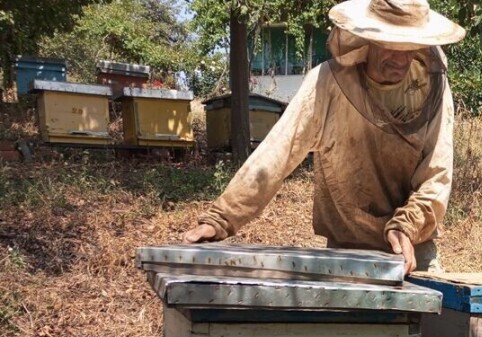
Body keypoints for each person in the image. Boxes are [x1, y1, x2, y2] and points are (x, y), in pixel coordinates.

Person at [182, 0, 465, 274]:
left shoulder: (432, 89)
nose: (402, 59)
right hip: (345, 251)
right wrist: (222, 218)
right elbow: (277, 153)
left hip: (411, 252)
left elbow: (436, 174)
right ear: (368, 40)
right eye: (392, 45)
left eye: (411, 46)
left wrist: (407, 225)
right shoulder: (327, 83)